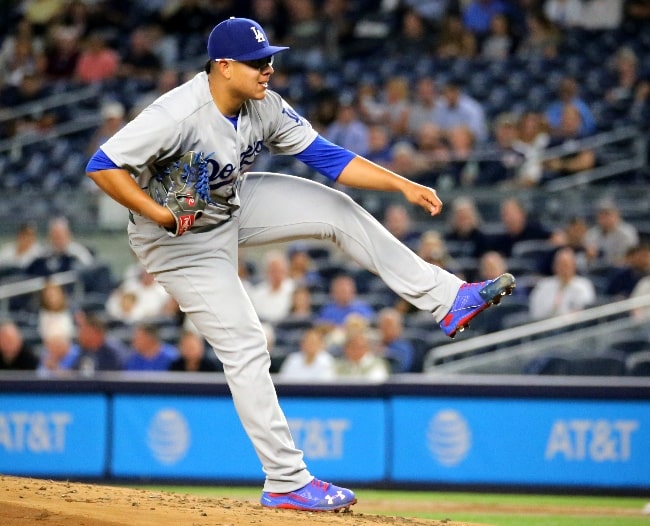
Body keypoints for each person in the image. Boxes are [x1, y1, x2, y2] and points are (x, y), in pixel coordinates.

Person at [85, 16, 515, 512]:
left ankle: (449, 299)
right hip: (176, 242)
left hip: (229, 204)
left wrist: (401, 183)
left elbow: (328, 159)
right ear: (223, 67)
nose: (268, 68)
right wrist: (160, 213)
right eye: (256, 62)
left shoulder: (263, 104)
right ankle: (287, 480)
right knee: (246, 345)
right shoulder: (178, 113)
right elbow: (102, 164)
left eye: (270, 58)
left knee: (337, 209)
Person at [529, 247, 596, 320]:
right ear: (554, 266)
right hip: (548, 327)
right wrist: (553, 307)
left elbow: (586, 311)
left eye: (567, 265)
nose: (564, 269)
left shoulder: (584, 285)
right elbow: (535, 314)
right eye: (561, 264)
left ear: (574, 266)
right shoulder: (543, 286)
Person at [248, 249, 296, 324]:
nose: (277, 274)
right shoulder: (257, 292)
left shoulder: (294, 288)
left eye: (280, 270)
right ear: (266, 271)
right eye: (273, 270)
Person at [376, 307, 415, 373]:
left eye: (390, 325)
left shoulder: (404, 347)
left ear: (399, 327)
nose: (387, 329)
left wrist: (384, 352)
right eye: (384, 325)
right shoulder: (374, 344)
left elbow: (402, 367)